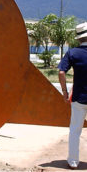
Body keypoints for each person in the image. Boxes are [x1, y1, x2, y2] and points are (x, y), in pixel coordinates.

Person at [58, 22, 87, 169]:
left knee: (75, 130)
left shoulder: (72, 53)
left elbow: (61, 72)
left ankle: (73, 162)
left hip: (78, 98)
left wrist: (64, 92)